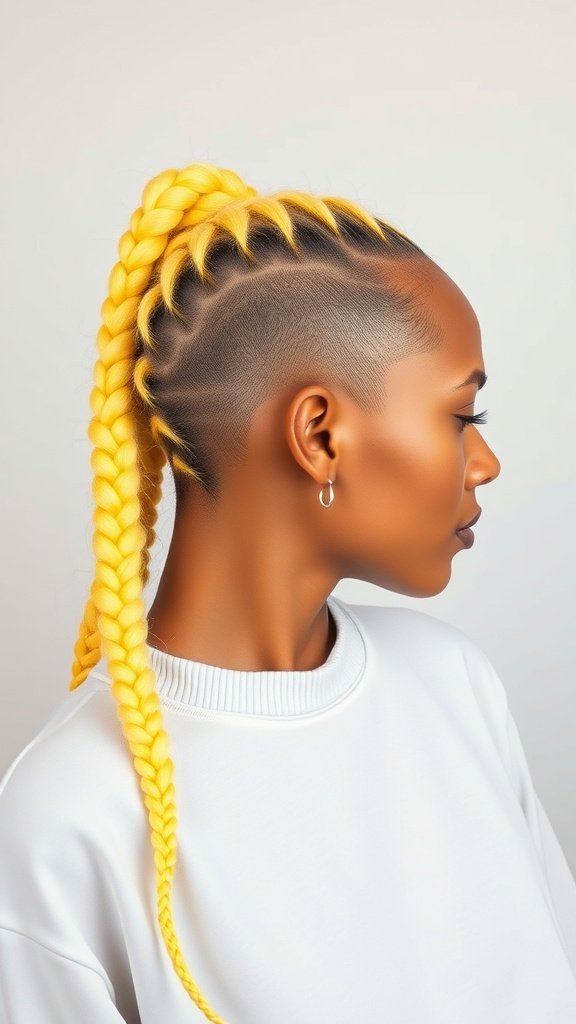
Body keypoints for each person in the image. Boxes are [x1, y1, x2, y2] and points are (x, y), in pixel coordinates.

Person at [1, 162, 575, 1024]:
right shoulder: (67, 815)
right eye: (463, 418)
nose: (484, 464)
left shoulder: (456, 685)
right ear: (319, 435)